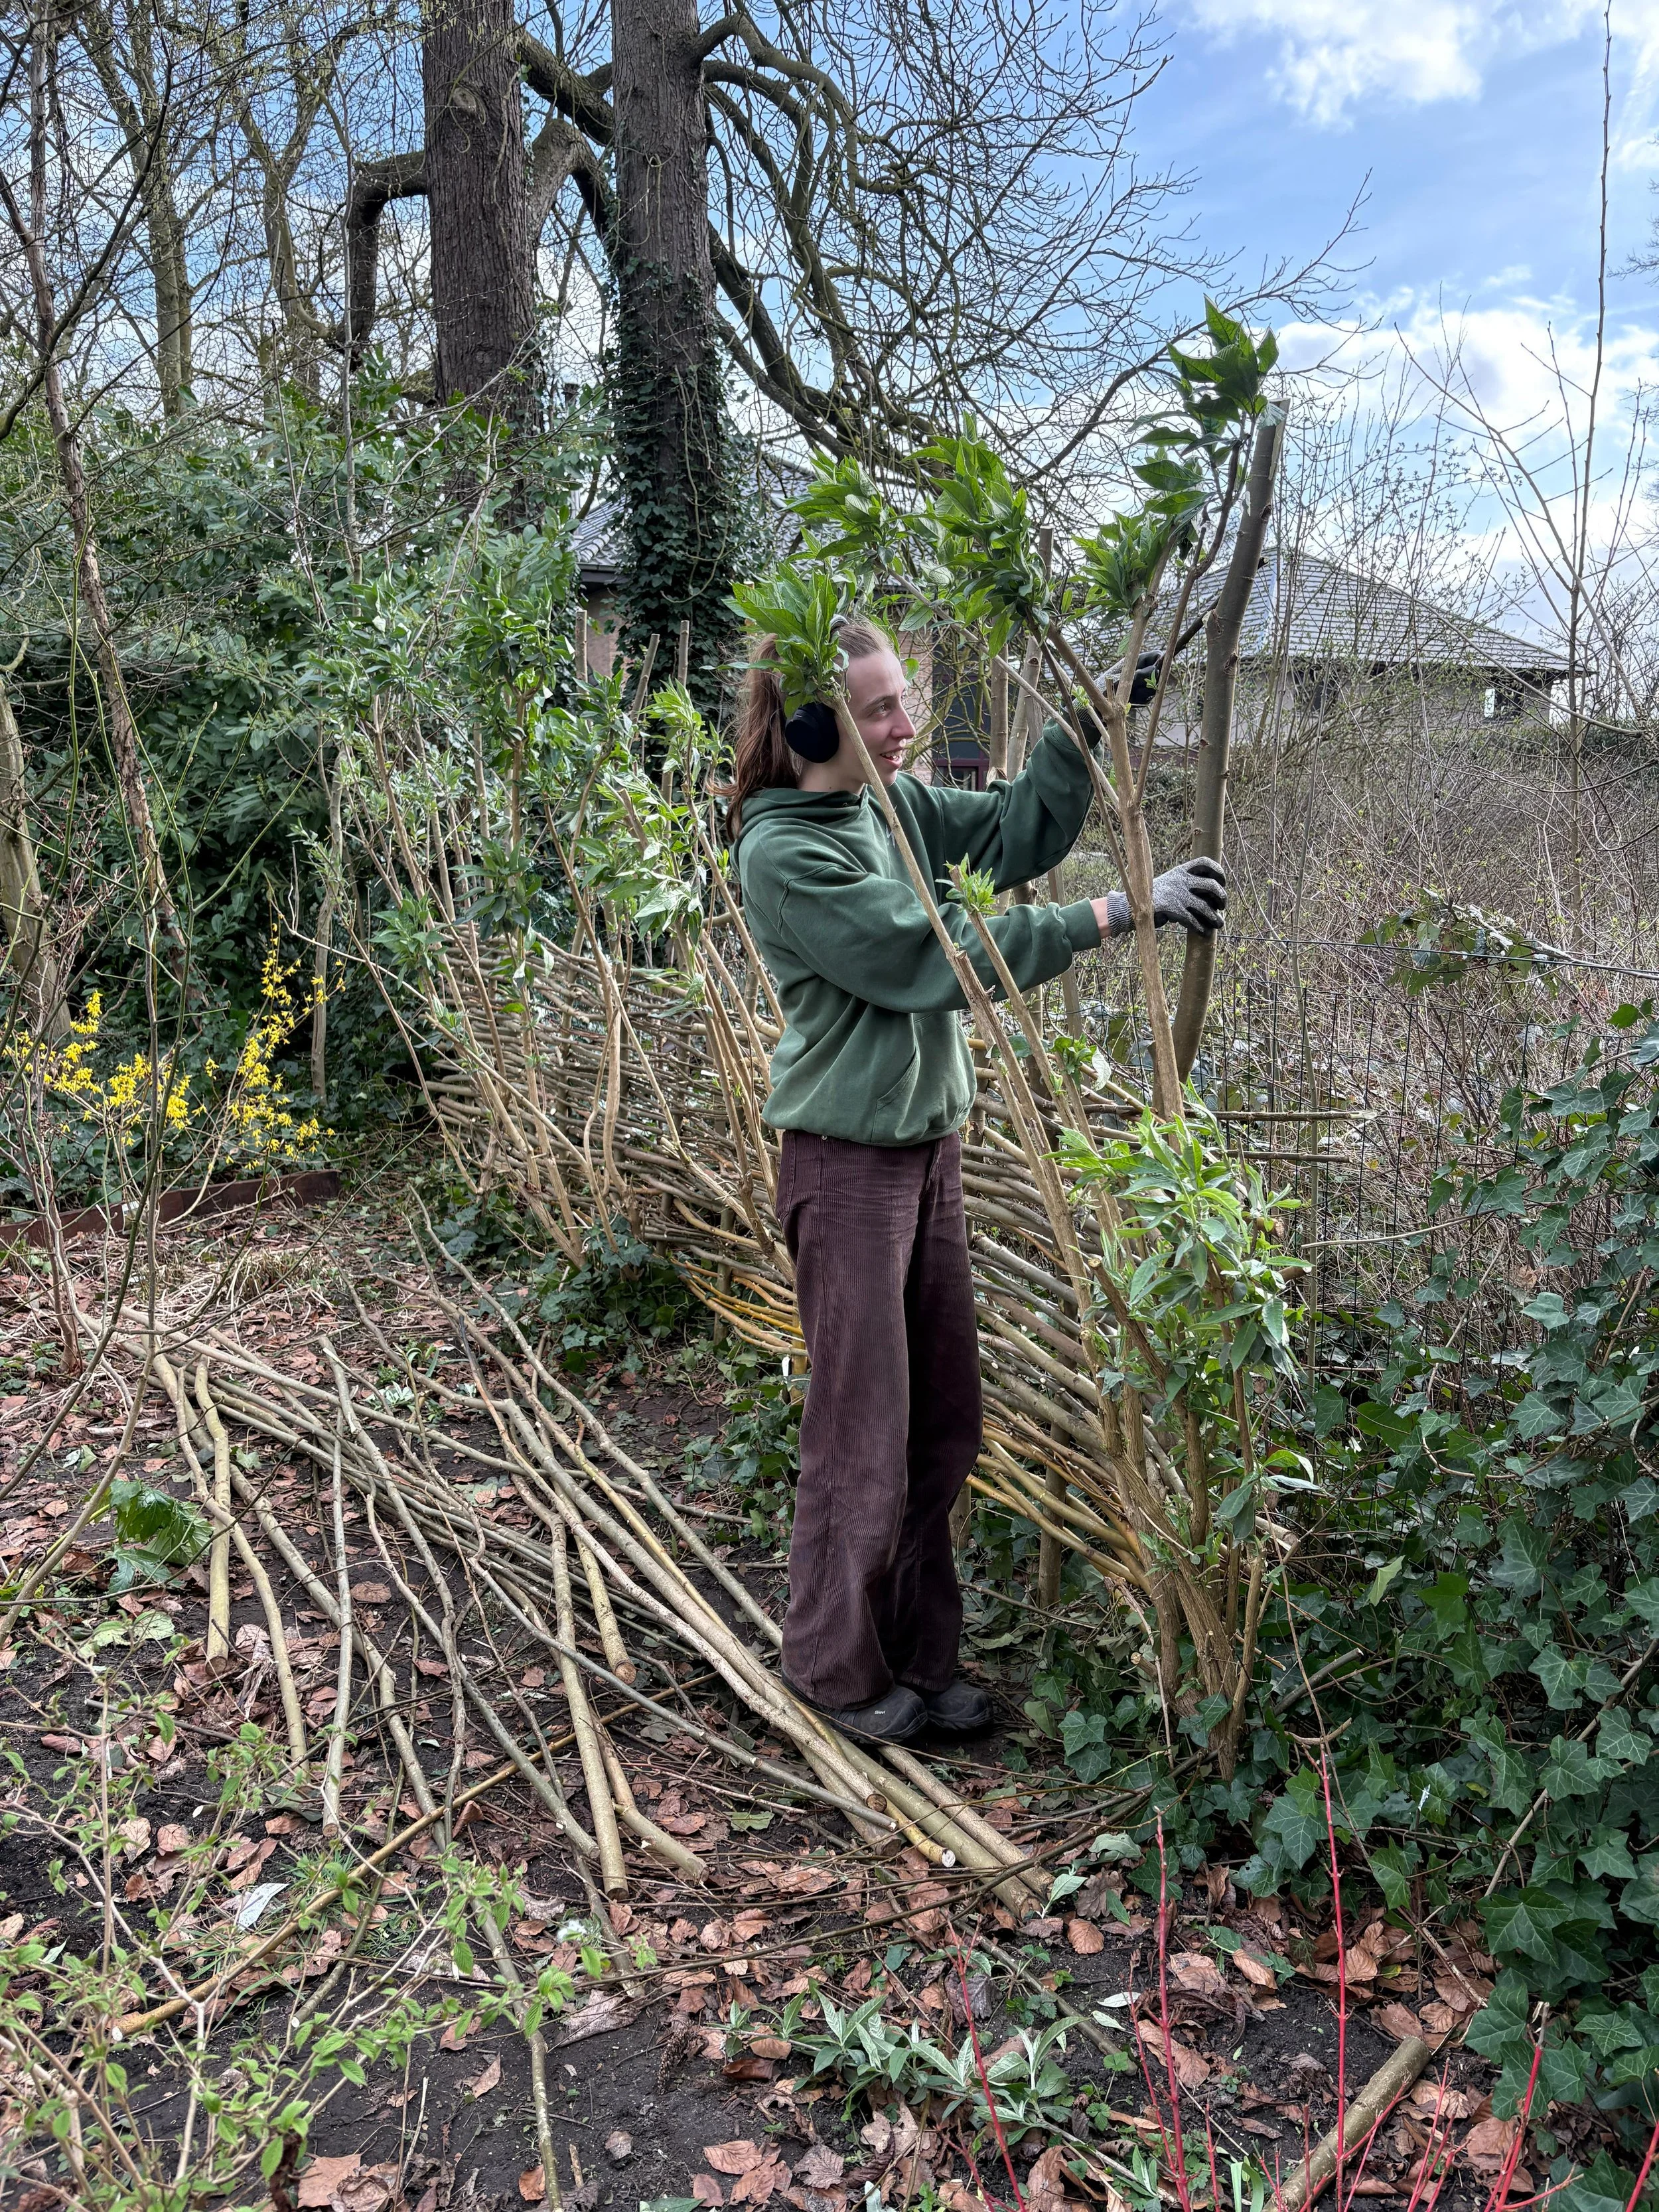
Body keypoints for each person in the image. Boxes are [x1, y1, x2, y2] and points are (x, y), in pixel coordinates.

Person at [727, 616, 1226, 1745]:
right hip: (845, 1165)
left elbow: (1011, 831)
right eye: (880, 710)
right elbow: (933, 952)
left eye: (903, 701)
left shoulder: (886, 808)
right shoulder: (785, 852)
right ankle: (831, 1667)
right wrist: (1118, 911)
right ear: (814, 725)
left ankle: (917, 1655)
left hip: (926, 1151)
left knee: (943, 1421)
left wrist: (1089, 719)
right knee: (861, 1435)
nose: (907, 726)